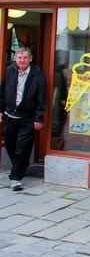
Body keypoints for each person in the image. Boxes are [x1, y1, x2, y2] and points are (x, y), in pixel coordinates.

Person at [0, 47, 47, 191]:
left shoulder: (37, 73)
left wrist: (39, 118)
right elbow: (3, 91)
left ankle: (16, 178)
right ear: (15, 59)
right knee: (9, 143)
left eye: (25, 57)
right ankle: (20, 166)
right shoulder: (10, 71)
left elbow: (41, 96)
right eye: (19, 57)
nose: (22, 60)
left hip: (28, 117)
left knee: (22, 146)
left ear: (30, 59)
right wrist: (1, 110)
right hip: (10, 116)